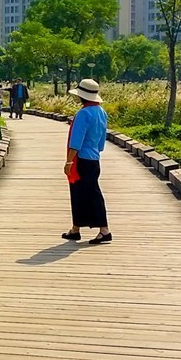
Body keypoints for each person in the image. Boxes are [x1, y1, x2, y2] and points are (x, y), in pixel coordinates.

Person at [62, 78, 111, 245]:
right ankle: (76, 228)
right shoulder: (101, 112)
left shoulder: (83, 114)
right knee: (83, 193)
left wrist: (69, 162)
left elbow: (76, 140)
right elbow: (101, 140)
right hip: (94, 158)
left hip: (81, 159)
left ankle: (104, 230)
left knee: (88, 194)